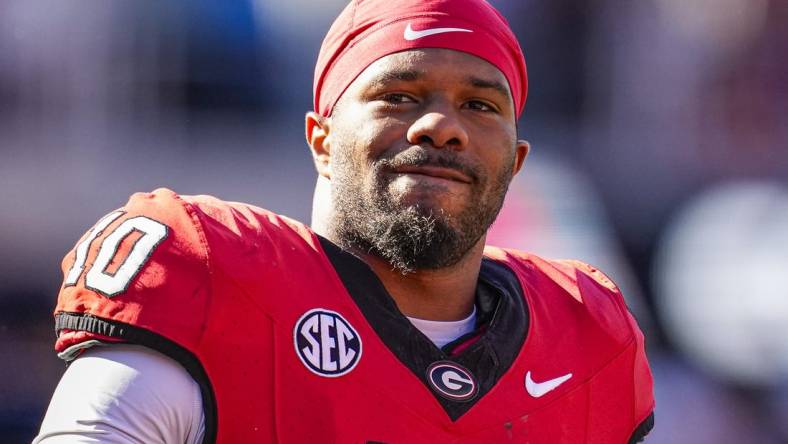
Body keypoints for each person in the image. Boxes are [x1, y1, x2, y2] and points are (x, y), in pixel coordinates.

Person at [35, 0, 655, 442]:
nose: (441, 125)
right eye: (400, 95)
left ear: (515, 162)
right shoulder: (211, 276)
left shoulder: (587, 337)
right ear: (321, 139)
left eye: (480, 104)